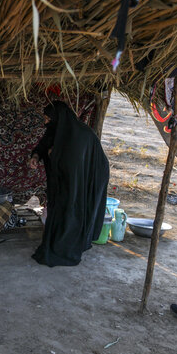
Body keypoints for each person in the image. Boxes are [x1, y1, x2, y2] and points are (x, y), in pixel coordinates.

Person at [29, 101, 109, 267]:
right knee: (59, 210)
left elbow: (73, 163)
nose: (45, 123)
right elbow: (44, 145)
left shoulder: (81, 135)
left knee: (72, 212)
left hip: (80, 184)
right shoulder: (56, 130)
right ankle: (57, 243)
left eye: (47, 119)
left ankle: (66, 248)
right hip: (64, 182)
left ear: (58, 118)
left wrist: (55, 154)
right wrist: (36, 156)